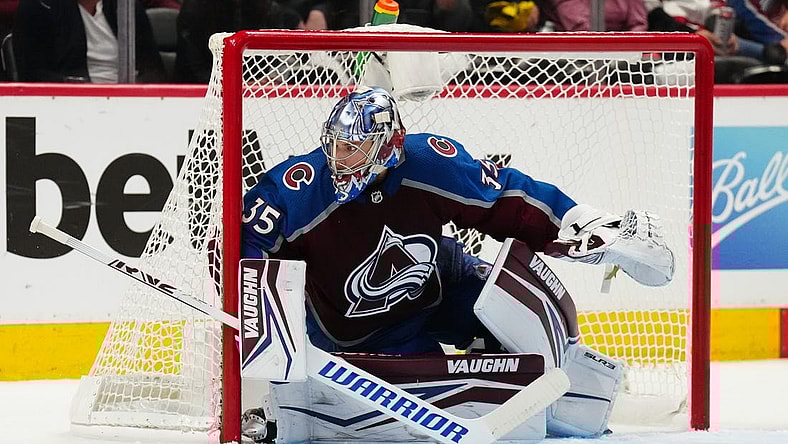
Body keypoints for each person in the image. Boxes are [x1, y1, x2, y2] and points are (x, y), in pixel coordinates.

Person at [239, 87, 675, 442]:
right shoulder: (295, 191)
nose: (341, 160)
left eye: (356, 148)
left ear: (390, 146)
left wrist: (576, 223)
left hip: (445, 281)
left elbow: (507, 200)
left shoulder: (429, 162)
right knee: (430, 416)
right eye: (336, 147)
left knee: (514, 304)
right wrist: (269, 319)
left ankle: (568, 388)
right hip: (363, 331)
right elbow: (242, 250)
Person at [12, 0, 167, 83]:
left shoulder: (127, 6)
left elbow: (153, 68)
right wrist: (74, 85)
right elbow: (33, 73)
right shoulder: (39, 6)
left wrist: (142, 85)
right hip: (69, 105)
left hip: (133, 101)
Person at [174, 0, 303, 83]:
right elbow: (191, 68)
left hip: (259, 94)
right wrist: (237, 85)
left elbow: (277, 59)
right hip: (201, 94)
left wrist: (271, 78)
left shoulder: (269, 9)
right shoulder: (195, 9)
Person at [539, 0, 648, 31]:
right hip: (574, 54)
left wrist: (627, 49)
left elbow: (638, 23)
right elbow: (581, 27)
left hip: (624, 51)